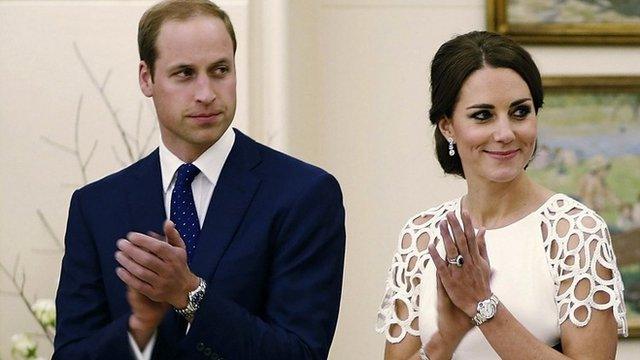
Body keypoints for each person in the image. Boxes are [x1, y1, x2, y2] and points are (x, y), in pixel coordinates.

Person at [53, 1, 345, 359]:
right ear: (147, 78)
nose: (206, 93)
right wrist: (139, 328)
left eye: (220, 70)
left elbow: (301, 353)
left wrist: (190, 294)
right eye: (185, 73)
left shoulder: (304, 194)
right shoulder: (97, 206)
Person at [375, 31, 627, 359]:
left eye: (520, 112)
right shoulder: (421, 237)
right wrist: (447, 339)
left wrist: (484, 308)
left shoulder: (574, 232)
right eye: (483, 115)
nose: (506, 133)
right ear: (447, 126)